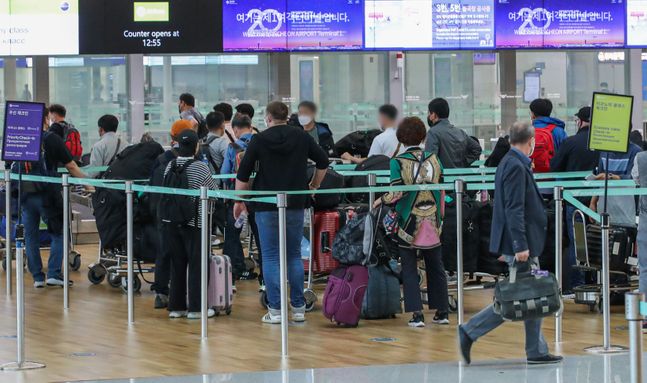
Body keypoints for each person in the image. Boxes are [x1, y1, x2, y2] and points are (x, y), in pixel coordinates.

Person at [458, 121, 563, 365]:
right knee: (517, 296)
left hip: (521, 242)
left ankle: (535, 350)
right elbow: (514, 208)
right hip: (522, 245)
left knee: (530, 292)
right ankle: (470, 331)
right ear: (531, 141)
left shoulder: (510, 162)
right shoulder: (516, 166)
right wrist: (519, 245)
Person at [234, 101, 328, 324]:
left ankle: (275, 309)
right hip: (296, 203)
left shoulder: (259, 139)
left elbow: (243, 175)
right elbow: (323, 161)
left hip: (267, 205)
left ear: (268, 118)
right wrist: (312, 186)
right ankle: (298, 308)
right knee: (294, 255)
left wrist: (240, 201)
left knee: (271, 257)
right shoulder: (301, 137)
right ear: (287, 117)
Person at [374, 117, 448, 327]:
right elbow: (441, 191)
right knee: (436, 265)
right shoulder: (434, 158)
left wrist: (380, 200)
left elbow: (397, 192)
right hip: (433, 220)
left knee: (408, 266)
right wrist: (440, 218)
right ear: (423, 135)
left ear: (401, 138)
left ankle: (417, 314)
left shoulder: (397, 161)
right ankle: (442, 311)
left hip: (408, 221)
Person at [22, 108, 88, 287]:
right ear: (45, 119)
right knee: (58, 233)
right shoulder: (50, 138)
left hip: (25, 193)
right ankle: (53, 273)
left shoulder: (22, 139)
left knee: (31, 235)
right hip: (47, 193)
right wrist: (89, 185)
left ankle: (37, 277)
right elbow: (71, 166)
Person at [164, 129, 218, 319]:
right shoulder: (200, 167)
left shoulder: (169, 165)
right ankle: (197, 308)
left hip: (172, 221)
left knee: (177, 264)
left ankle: (176, 307)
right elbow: (213, 191)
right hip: (195, 223)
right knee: (197, 264)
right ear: (196, 147)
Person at [550, 107, 599, 291]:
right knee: (597, 240)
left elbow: (554, 167)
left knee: (576, 242)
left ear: (579, 121)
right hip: (599, 199)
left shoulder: (571, 142)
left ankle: (576, 286)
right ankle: (595, 281)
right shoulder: (602, 143)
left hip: (574, 198)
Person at [149, 120, 191, 309]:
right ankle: (185, 291)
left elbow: (154, 187)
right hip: (188, 213)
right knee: (188, 251)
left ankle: (162, 291)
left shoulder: (162, 159)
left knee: (165, 250)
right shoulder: (195, 160)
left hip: (164, 211)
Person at [221, 115, 260, 283]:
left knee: (232, 234)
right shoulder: (262, 144)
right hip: (261, 198)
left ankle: (235, 270)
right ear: (250, 127)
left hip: (237, 198)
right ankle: (266, 275)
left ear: (236, 130)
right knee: (261, 237)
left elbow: (224, 174)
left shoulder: (233, 147)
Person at [424, 98, 481, 169]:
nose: (429, 116)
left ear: (434, 115)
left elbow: (430, 160)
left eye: (429, 113)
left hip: (443, 178)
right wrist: (464, 162)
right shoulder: (460, 132)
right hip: (461, 178)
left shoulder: (433, 132)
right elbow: (477, 148)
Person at [632, 151, 647, 329]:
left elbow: (636, 179)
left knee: (645, 270)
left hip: (645, 219)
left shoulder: (641, 157)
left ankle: (644, 315)